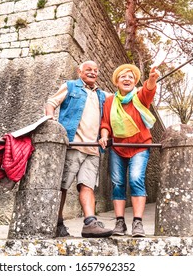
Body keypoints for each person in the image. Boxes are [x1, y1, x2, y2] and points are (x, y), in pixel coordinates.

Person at [45, 60, 113, 238]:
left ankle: (90, 223)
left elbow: (121, 100)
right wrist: (51, 120)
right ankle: (57, 223)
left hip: (93, 149)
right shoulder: (70, 86)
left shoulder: (102, 95)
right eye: (88, 70)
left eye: (95, 70)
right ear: (79, 71)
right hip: (73, 145)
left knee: (87, 185)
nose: (92, 73)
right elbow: (51, 103)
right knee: (63, 186)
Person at [98, 64, 159, 237]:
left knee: (135, 179)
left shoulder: (139, 97)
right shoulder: (110, 101)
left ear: (135, 82)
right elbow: (105, 123)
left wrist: (152, 78)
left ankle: (137, 223)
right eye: (123, 77)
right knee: (117, 184)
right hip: (118, 147)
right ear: (116, 82)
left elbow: (149, 90)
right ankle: (120, 223)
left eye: (130, 77)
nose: (127, 79)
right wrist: (104, 136)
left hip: (139, 146)